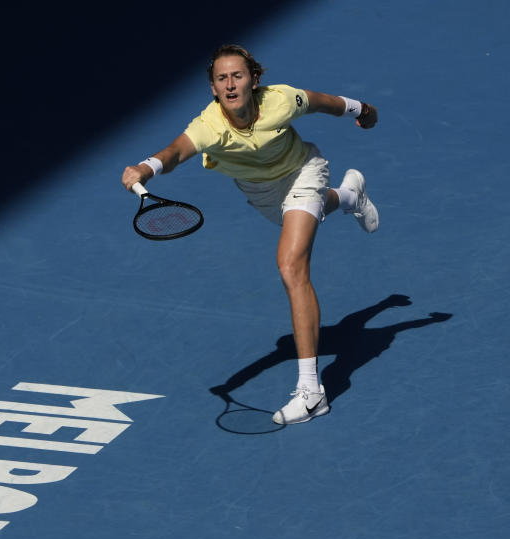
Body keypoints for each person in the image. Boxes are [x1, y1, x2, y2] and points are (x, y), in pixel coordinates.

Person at [121, 44, 379, 425]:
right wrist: (146, 167)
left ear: (253, 80)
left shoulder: (280, 100)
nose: (229, 85)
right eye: (221, 78)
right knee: (298, 220)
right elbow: (176, 151)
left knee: (291, 265)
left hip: (303, 171)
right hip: (262, 193)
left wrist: (364, 110)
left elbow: (324, 101)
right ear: (213, 87)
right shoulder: (209, 127)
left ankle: (312, 393)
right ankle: (347, 196)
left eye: (237, 76)